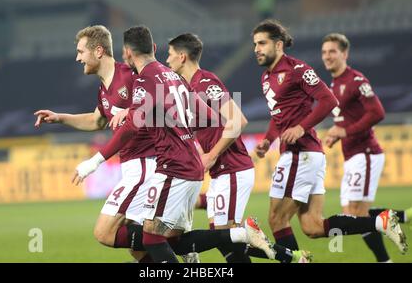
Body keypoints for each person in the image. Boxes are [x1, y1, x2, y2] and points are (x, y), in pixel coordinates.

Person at [72, 25, 278, 263]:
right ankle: (240, 236)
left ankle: (242, 234)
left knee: (151, 238)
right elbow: (210, 116)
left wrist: (95, 161)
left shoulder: (144, 79)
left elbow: (130, 128)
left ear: (127, 52)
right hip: (189, 166)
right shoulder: (173, 78)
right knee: (170, 241)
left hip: (173, 166)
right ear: (155, 48)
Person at [252, 19, 408, 255]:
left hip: (300, 154)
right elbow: (278, 115)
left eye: (262, 43)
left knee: (277, 219)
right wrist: (268, 139)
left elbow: (328, 100)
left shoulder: (297, 69)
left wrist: (302, 127)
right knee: (313, 226)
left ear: (279, 45)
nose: (257, 49)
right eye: (255, 44)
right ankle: (380, 222)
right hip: (306, 155)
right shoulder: (266, 78)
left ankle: (296, 261)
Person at [166, 32, 311, 263]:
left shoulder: (206, 82)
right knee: (225, 242)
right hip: (221, 173)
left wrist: (212, 155)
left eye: (170, 54)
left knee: (226, 238)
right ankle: (291, 257)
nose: (167, 60)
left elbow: (238, 120)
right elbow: (200, 131)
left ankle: (289, 257)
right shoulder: (187, 88)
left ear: (182, 56)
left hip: (232, 169)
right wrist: (201, 152)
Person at [33, 25, 156, 262]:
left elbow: (154, 104)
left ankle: (183, 242)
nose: (78, 58)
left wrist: (95, 161)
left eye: (81, 51)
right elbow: (97, 120)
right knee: (139, 248)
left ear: (98, 51)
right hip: (133, 166)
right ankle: (179, 243)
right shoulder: (104, 89)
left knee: (104, 232)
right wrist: (60, 118)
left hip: (145, 164)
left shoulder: (129, 76)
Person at [322, 32, 412, 262]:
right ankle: (402, 216)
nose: (327, 56)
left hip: (366, 153)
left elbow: (377, 112)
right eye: (324, 52)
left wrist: (345, 131)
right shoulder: (335, 83)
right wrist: (337, 135)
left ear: (345, 53)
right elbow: (349, 119)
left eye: (332, 51)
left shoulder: (356, 80)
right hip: (352, 154)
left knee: (355, 214)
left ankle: (385, 259)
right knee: (354, 215)